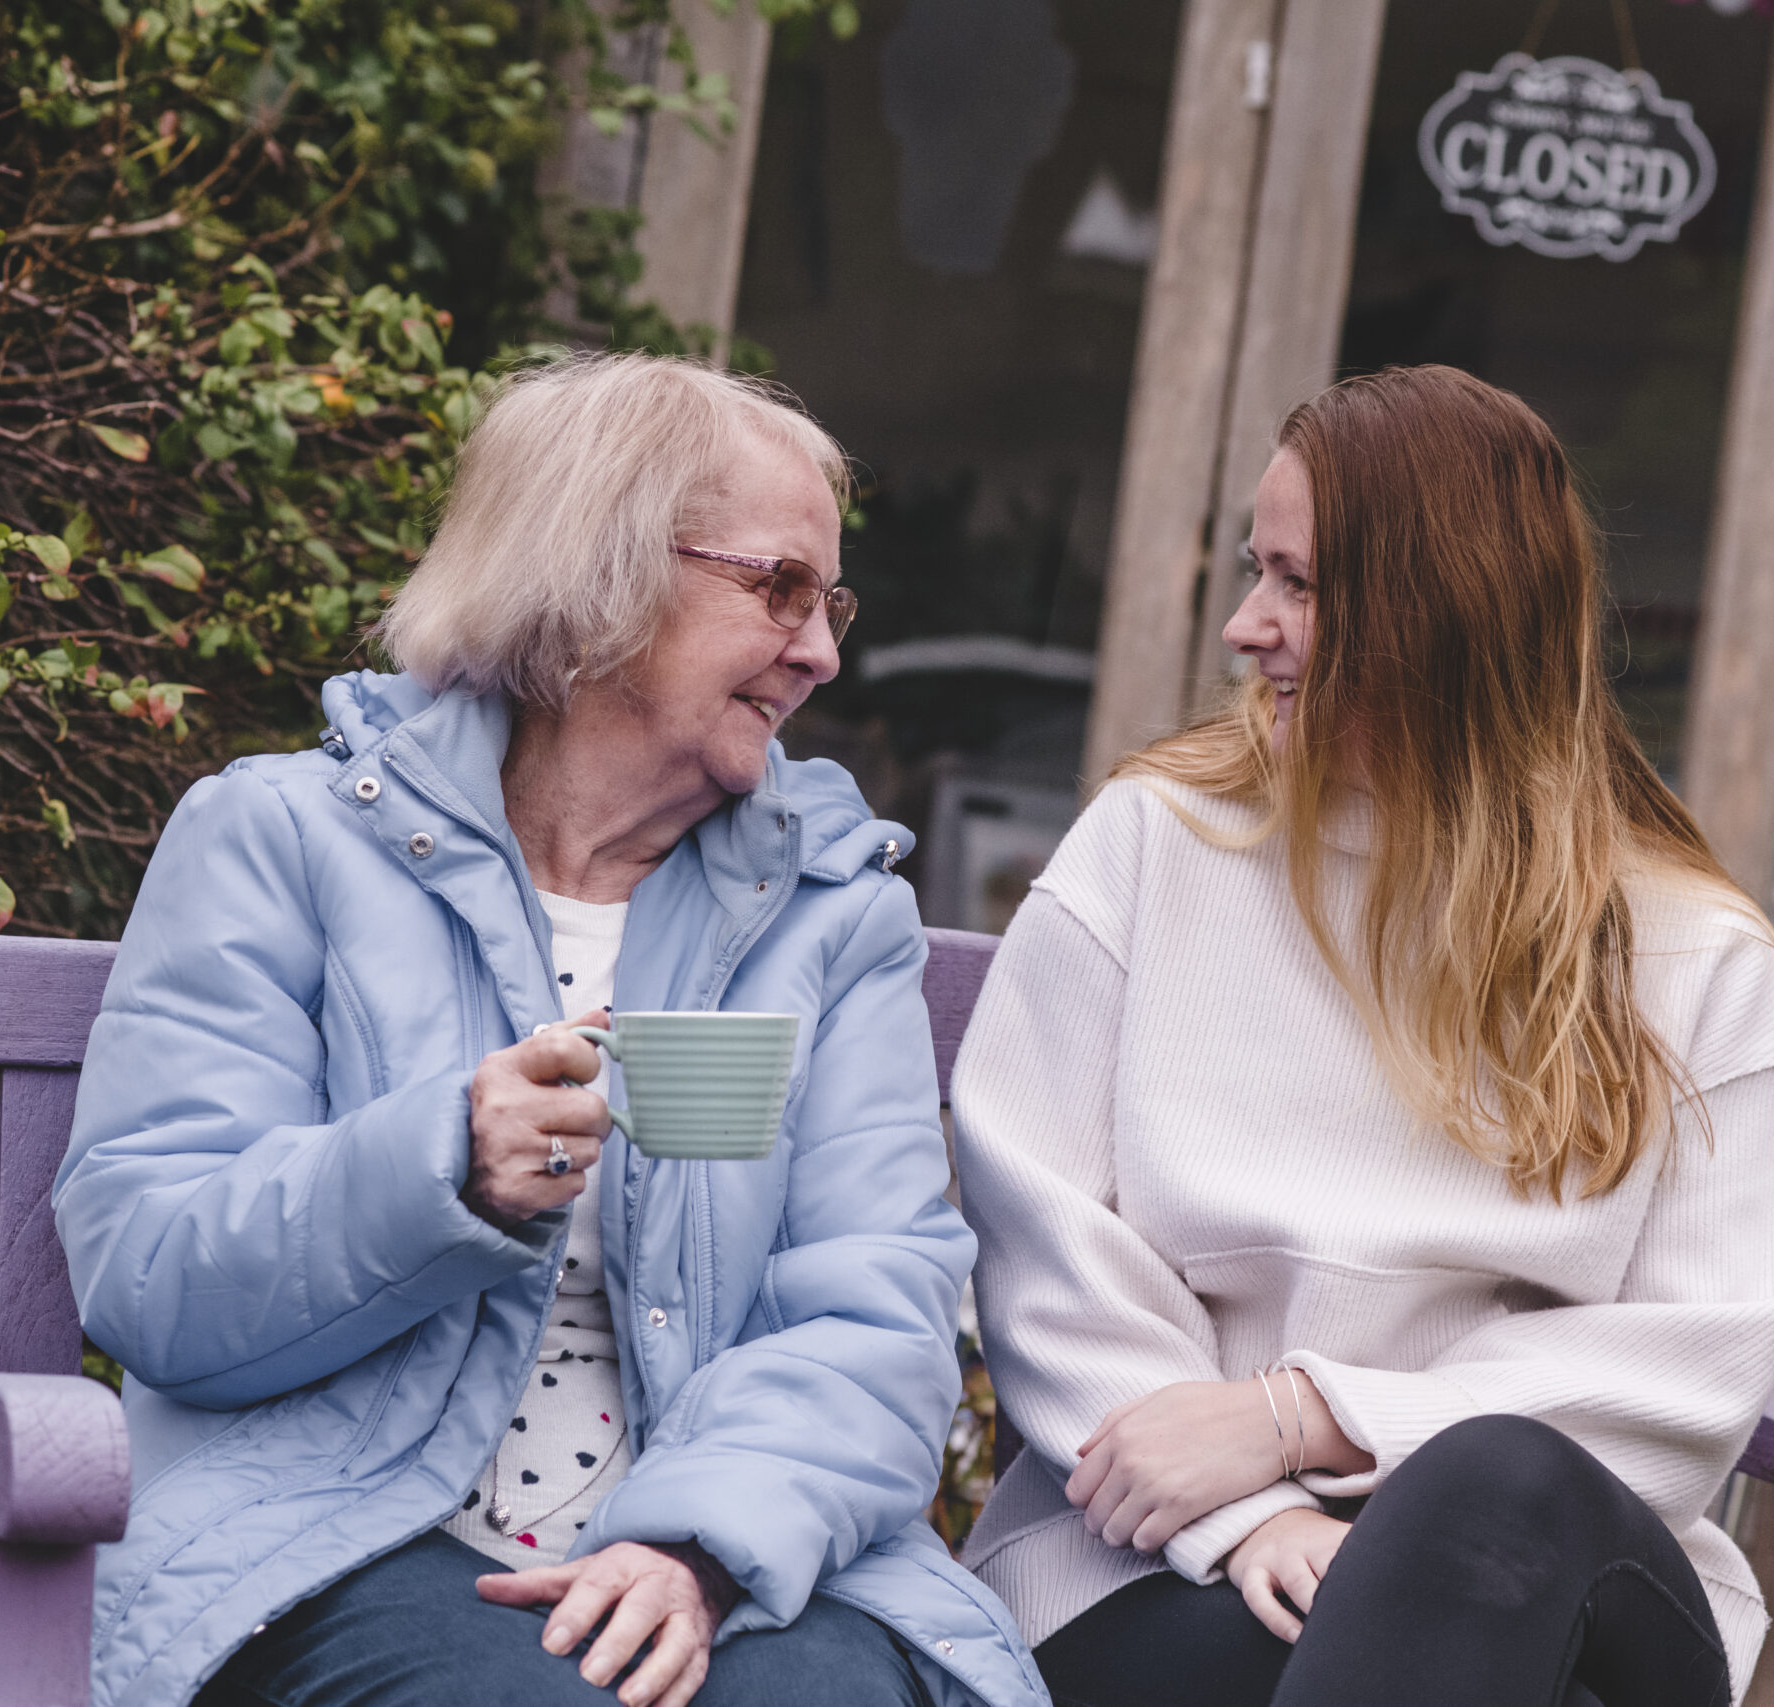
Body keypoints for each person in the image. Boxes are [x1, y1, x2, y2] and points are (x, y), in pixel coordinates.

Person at [56, 354, 1046, 1707]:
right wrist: (439, 1168)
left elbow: (877, 1311)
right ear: (603, 577)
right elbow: (152, 1269)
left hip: (725, 1553)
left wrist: (698, 1543)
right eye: (779, 590)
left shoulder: (830, 912)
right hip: (345, 1529)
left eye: (831, 601)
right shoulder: (278, 845)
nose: (822, 652)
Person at [950, 365, 1774, 1707]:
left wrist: (1305, 1420)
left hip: (1553, 1584)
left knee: (1496, 1477)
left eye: (1299, 584)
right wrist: (1249, 1518)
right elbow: (1042, 1231)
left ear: (1443, 609)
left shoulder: (1694, 958)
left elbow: (1699, 1359)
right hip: (1152, 1555)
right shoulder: (1156, 848)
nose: (1248, 627)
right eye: (1257, 573)